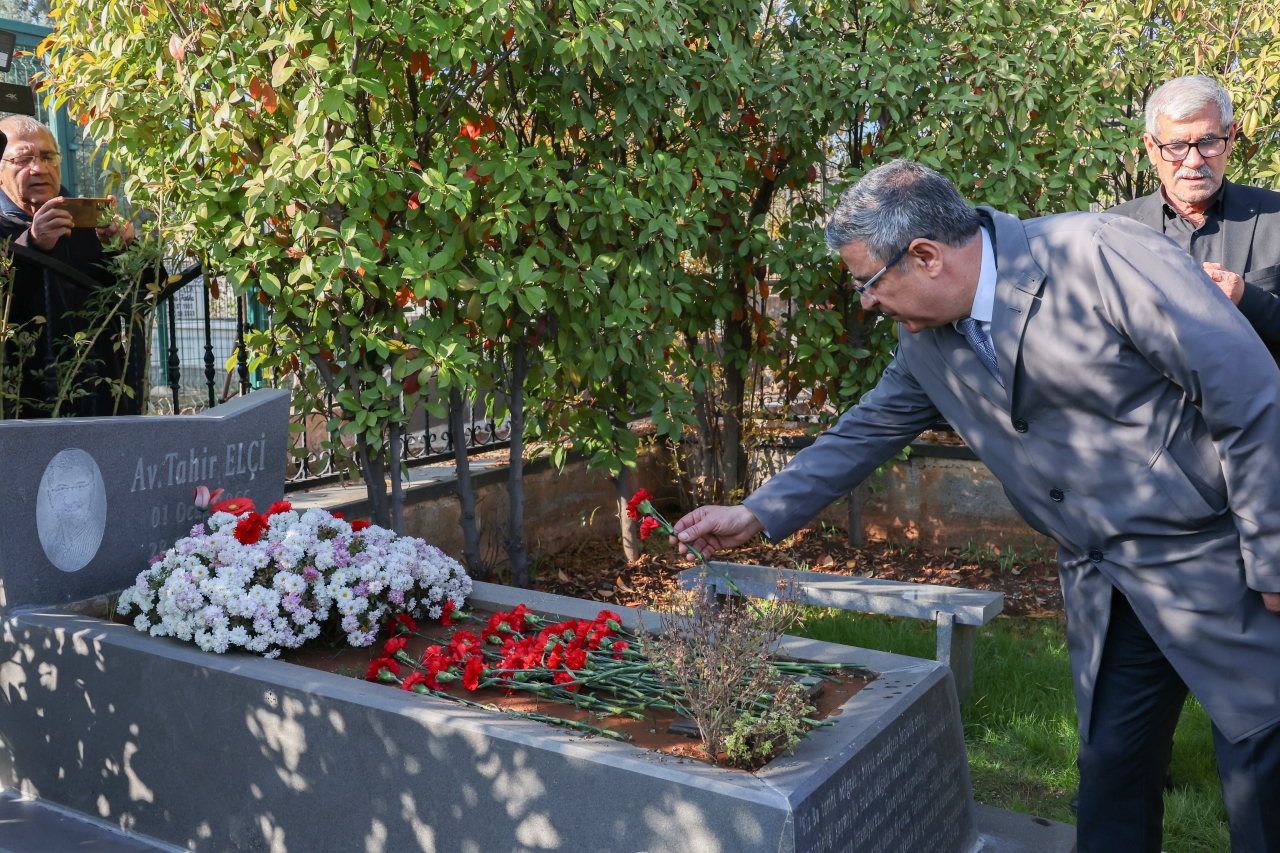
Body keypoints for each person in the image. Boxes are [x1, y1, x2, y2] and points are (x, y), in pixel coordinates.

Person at [672, 160, 1280, 853]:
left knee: (1260, 771)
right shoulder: (925, 339)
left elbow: (1249, 394)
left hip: (1219, 562)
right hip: (1108, 586)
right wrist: (756, 513)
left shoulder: (1098, 256)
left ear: (925, 256)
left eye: (867, 282)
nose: (866, 303)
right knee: (1112, 772)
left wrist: (1273, 553)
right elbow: (867, 429)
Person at [1110, 75, 1280, 354]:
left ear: (1231, 137)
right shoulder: (1113, 230)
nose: (1193, 160)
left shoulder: (1275, 218)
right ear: (1151, 148)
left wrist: (1246, 298)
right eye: (1176, 146)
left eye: (1208, 141)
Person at [0, 115, 145, 417]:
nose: (39, 169)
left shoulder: (87, 222)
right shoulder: (4, 227)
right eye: (23, 159)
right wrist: (31, 245)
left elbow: (148, 296)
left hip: (99, 394)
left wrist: (127, 249)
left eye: (48, 157)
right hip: (22, 402)